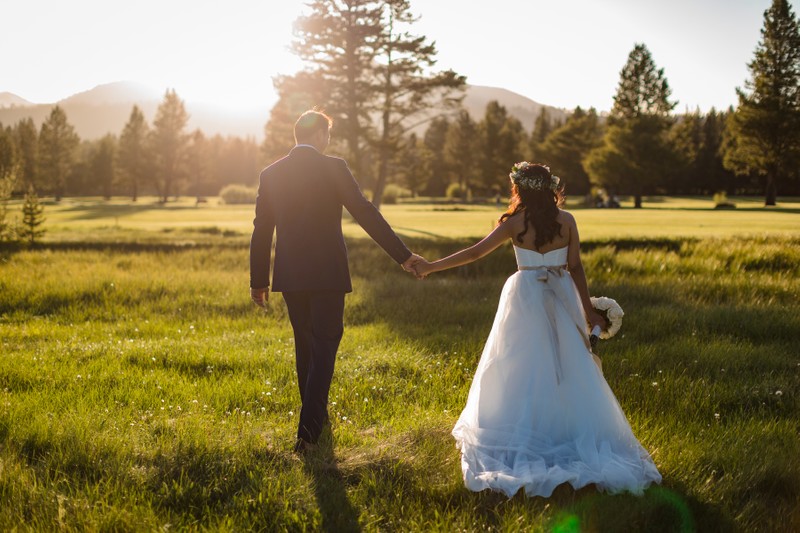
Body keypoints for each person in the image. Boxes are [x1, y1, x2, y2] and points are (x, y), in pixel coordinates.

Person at [413, 162, 661, 497]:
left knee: (521, 364)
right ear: (550, 188)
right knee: (568, 365)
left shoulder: (514, 223)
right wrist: (588, 312)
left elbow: (474, 253)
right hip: (562, 295)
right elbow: (575, 267)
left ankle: (528, 430)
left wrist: (431, 266)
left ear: (520, 189)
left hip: (524, 296)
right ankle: (565, 431)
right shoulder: (568, 220)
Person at [250, 110, 423, 453]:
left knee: (306, 346)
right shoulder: (334, 168)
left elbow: (261, 230)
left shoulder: (271, 174)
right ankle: (309, 433)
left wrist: (259, 280)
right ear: (320, 137)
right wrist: (403, 256)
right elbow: (365, 212)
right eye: (327, 135)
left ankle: (317, 421)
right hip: (328, 273)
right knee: (325, 345)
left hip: (291, 275)